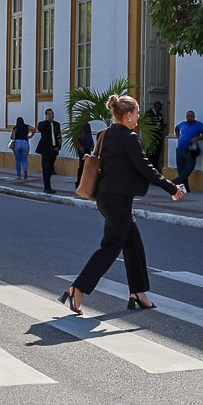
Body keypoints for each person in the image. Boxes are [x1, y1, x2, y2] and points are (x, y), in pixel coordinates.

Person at [60, 95, 185, 314]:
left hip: (108, 197)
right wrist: (173, 188)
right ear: (128, 115)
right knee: (110, 248)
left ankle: (138, 292)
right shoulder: (129, 137)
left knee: (133, 245)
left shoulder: (107, 134)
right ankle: (78, 288)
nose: (138, 117)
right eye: (136, 113)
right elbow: (146, 168)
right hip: (118, 199)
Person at [172, 109, 203, 189]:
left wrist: (196, 138)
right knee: (180, 169)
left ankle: (177, 181)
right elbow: (176, 128)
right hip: (180, 149)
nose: (189, 117)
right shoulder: (182, 124)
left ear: (194, 117)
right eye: (188, 116)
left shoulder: (198, 125)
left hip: (191, 150)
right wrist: (178, 136)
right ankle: (186, 187)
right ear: (186, 117)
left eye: (191, 116)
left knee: (189, 168)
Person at [35, 108, 62, 193]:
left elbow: (59, 136)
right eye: (49, 114)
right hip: (46, 150)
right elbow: (40, 128)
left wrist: (58, 146)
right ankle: (47, 187)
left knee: (50, 169)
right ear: (46, 115)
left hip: (54, 149)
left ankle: (49, 186)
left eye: (52, 114)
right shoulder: (43, 124)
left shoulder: (57, 124)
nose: (51, 115)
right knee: (46, 168)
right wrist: (47, 121)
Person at [145, 101, 166, 170]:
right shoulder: (148, 113)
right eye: (158, 108)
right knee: (149, 154)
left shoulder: (159, 115)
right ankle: (148, 169)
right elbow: (146, 124)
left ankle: (155, 168)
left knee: (157, 154)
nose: (158, 110)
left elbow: (161, 123)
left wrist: (161, 126)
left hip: (158, 136)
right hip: (151, 137)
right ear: (155, 106)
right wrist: (154, 126)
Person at [73, 122, 96, 186]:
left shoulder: (87, 125)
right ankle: (78, 182)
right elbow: (76, 136)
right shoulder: (79, 124)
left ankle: (85, 181)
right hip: (82, 148)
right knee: (82, 165)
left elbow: (89, 134)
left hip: (87, 147)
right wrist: (80, 146)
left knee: (87, 165)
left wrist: (92, 143)